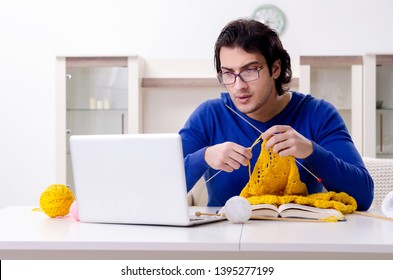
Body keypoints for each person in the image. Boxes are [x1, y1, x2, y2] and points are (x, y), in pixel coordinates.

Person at [179, 18, 373, 211]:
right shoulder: (209, 115)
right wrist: (202, 157)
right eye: (228, 73)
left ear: (276, 69)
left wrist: (311, 151)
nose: (239, 86)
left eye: (250, 70)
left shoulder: (318, 114)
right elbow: (156, 190)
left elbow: (363, 197)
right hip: (224, 236)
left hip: (300, 236)